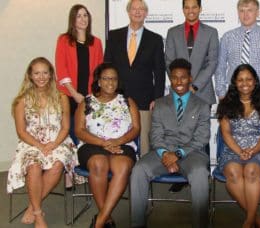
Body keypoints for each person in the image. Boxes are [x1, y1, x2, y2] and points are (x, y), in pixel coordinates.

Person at [130, 59, 210, 228]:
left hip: (191, 154)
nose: (178, 82)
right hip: (163, 153)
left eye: (183, 77)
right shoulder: (159, 104)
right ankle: (137, 224)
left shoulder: (202, 106)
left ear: (191, 78)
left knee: (200, 174)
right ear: (170, 79)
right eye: (174, 78)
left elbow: (202, 138)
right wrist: (166, 154)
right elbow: (156, 135)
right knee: (138, 170)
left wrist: (178, 154)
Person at [7, 57, 78, 228]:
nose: (41, 77)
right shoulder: (21, 101)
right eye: (37, 73)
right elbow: (21, 132)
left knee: (57, 164)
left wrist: (52, 145)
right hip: (31, 142)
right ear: (30, 76)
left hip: (59, 140)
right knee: (34, 166)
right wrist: (40, 146)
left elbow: (65, 127)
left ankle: (32, 206)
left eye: (45, 72)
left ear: (51, 74)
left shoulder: (62, 98)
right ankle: (39, 215)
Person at [74, 63, 140, 228]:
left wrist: (117, 141)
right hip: (92, 144)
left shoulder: (127, 101)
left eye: (114, 79)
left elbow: (137, 129)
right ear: (98, 81)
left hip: (122, 144)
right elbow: (79, 131)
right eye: (106, 78)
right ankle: (107, 218)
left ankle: (100, 221)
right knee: (98, 163)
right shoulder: (86, 102)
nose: (110, 82)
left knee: (123, 166)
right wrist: (103, 143)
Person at [216, 64, 260, 228]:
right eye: (240, 80)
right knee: (234, 172)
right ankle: (257, 220)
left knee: (251, 170)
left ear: (255, 81)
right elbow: (226, 133)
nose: (245, 83)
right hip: (232, 149)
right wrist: (239, 151)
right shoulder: (226, 104)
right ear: (235, 82)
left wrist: (252, 150)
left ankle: (248, 221)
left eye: (249, 79)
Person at [104, 0, 166, 157]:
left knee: (145, 142)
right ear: (128, 12)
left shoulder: (155, 39)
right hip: (117, 98)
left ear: (146, 13)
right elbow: (107, 68)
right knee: (118, 138)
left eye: (141, 9)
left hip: (145, 99)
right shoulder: (113, 36)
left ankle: (143, 177)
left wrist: (157, 98)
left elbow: (159, 71)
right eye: (134, 8)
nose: (137, 12)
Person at [55, 4, 103, 144]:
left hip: (89, 95)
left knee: (86, 131)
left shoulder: (96, 42)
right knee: (69, 130)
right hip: (69, 94)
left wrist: (92, 94)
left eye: (85, 15)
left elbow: (99, 71)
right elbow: (61, 68)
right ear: (73, 20)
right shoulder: (64, 40)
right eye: (79, 16)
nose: (83, 19)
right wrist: (74, 94)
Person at [215, 0, 260, 102]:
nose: (245, 14)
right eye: (242, 11)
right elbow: (220, 66)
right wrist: (221, 93)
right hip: (234, 93)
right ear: (238, 13)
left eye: (250, 10)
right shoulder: (228, 37)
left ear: (257, 13)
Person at [165, 0, 219, 105]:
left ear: (200, 8)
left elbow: (212, 63)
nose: (191, 11)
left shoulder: (211, 32)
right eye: (187, 7)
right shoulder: (172, 32)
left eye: (194, 7)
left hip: (203, 93)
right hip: (178, 92)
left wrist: (195, 86)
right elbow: (169, 62)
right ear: (183, 10)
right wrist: (180, 84)